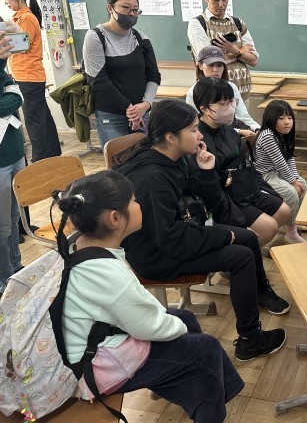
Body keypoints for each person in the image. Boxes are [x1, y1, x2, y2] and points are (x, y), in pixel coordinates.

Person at [51, 170, 244, 422]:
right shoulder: (106, 274)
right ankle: (211, 413)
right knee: (206, 349)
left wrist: (177, 325)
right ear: (115, 218)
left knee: (185, 318)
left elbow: (132, 306)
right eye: (134, 201)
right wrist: (180, 331)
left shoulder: (81, 246)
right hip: (96, 367)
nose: (139, 205)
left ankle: (178, 385)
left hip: (96, 340)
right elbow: (147, 326)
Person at [114, 99, 289, 361]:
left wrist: (207, 172)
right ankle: (250, 339)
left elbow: (206, 198)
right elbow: (170, 239)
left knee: (247, 238)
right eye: (194, 130)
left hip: (179, 232)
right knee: (240, 257)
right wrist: (222, 235)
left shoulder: (175, 158)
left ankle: (259, 291)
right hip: (156, 254)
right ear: (171, 137)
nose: (200, 135)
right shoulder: (152, 179)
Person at [192, 78, 291, 247]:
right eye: (222, 104)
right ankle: (240, 254)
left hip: (242, 189)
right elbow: (212, 190)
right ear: (204, 109)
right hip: (223, 199)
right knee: (269, 227)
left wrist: (269, 191)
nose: (230, 107)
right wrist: (238, 221)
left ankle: (248, 247)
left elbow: (246, 165)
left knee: (284, 211)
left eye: (232, 101)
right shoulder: (199, 139)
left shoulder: (230, 131)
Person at [82, 0, 161, 147]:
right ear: (110, 8)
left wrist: (146, 104)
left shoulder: (141, 39)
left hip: (141, 113)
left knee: (145, 158)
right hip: (111, 115)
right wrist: (130, 108)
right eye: (126, 8)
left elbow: (154, 76)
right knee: (118, 159)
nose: (131, 14)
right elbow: (98, 81)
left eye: (135, 10)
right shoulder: (96, 37)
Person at [1, 0, 61, 161]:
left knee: (34, 121)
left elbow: (22, 46)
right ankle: (52, 155)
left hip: (28, 76)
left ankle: (40, 160)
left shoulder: (26, 18)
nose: (5, 3)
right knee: (42, 118)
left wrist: (6, 37)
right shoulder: (20, 17)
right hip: (28, 75)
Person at [187, 0, 258, 101]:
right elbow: (208, 62)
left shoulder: (238, 23)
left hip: (242, 91)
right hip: (214, 94)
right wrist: (239, 52)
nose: (221, 4)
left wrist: (234, 51)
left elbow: (253, 60)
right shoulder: (198, 24)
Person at [253, 100, 307, 244]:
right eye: (281, 118)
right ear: (271, 118)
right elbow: (280, 162)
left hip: (276, 173)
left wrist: (295, 179)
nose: (287, 122)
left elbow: (289, 158)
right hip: (264, 176)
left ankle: (293, 221)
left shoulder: (283, 134)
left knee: (303, 184)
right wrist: (292, 182)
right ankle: (291, 233)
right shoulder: (267, 135)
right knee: (291, 193)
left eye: (290, 117)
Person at [186, 45, 260, 132]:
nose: (215, 69)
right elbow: (196, 125)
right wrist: (239, 132)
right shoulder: (193, 92)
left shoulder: (231, 87)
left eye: (219, 65)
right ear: (200, 66)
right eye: (211, 65)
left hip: (232, 132)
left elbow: (243, 116)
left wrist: (257, 129)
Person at [0, 49, 25, 296]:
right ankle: (5, 278)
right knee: (2, 224)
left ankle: (17, 267)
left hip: (16, 152)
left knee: (15, 216)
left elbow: (16, 97)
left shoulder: (3, 69)